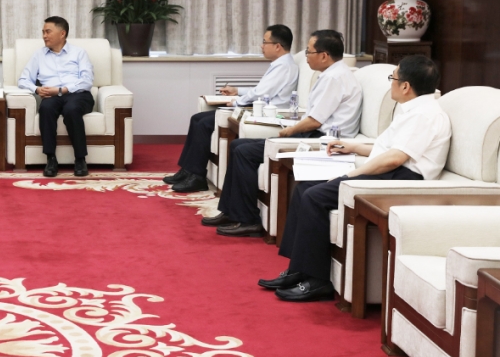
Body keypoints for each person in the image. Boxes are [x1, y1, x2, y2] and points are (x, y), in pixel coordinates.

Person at [261, 55, 450, 301]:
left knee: (315, 196)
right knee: (304, 187)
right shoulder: (414, 109)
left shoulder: (424, 115)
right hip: (392, 171)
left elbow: (394, 159)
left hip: (402, 179)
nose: (391, 83)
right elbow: (389, 150)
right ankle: (298, 269)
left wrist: (350, 175)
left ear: (405, 86)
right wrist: (352, 147)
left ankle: (317, 281)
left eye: (393, 78)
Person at [207, 29, 363, 238]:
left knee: (244, 152)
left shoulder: (334, 78)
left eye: (309, 52)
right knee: (238, 146)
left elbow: (314, 121)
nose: (306, 57)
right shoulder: (332, 74)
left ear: (324, 55)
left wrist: (290, 130)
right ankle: (231, 211)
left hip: (322, 140)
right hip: (314, 134)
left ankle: (248, 220)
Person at [165, 24, 299, 193]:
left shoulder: (284, 67)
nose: (261, 46)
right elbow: (261, 90)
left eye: (265, 42)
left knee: (204, 123)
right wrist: (237, 91)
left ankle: (197, 176)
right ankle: (187, 170)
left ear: (277, 46)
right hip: (257, 108)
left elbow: (261, 93)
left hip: (265, 114)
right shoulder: (280, 64)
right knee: (197, 118)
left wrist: (236, 102)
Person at [17, 16, 95, 178]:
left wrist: (62, 90)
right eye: (43, 32)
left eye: (48, 32)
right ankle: (51, 159)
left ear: (62, 33)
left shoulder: (79, 53)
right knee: (46, 108)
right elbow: (23, 80)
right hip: (50, 96)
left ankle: (80, 159)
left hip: (77, 94)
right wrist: (37, 89)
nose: (44, 36)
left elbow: (86, 81)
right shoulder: (39, 55)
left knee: (72, 109)